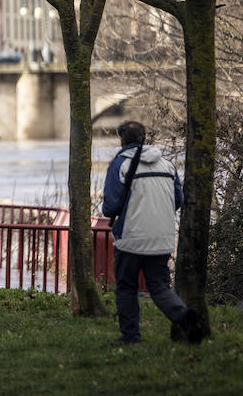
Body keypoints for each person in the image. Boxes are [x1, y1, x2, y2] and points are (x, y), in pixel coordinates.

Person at [103, 120, 204, 345]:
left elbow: (110, 207)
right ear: (144, 138)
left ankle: (130, 337)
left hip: (130, 239)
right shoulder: (167, 164)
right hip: (162, 238)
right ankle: (184, 316)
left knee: (127, 287)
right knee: (159, 287)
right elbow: (178, 200)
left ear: (122, 140)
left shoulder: (120, 164)